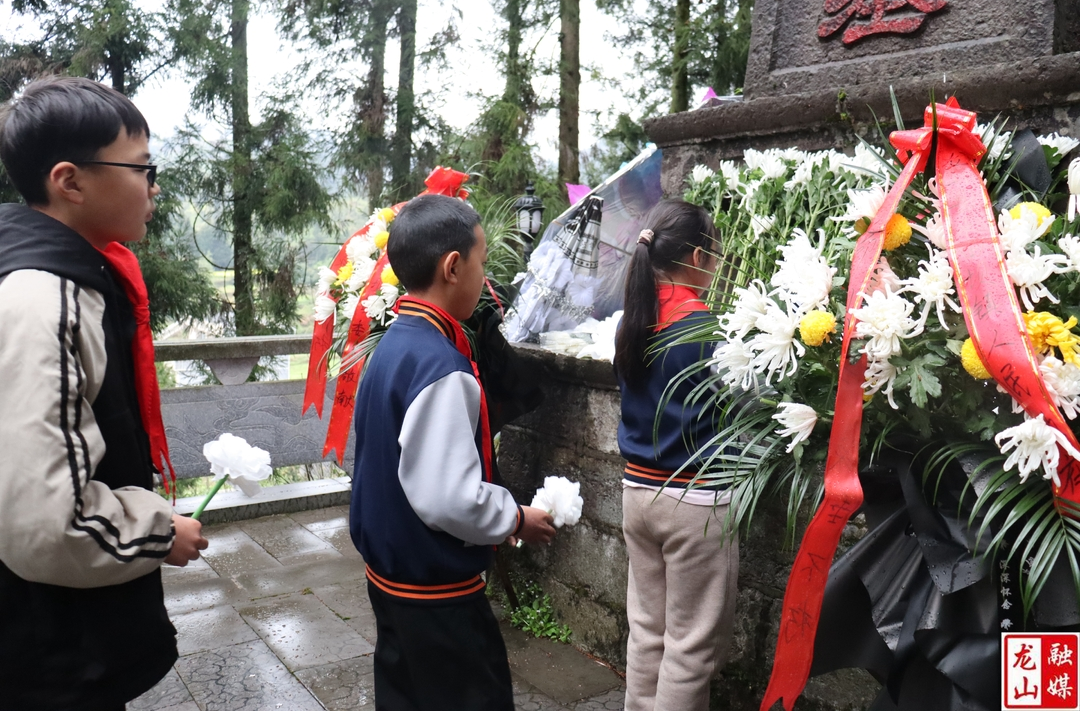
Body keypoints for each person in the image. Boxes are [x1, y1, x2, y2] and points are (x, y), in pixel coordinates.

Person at [0, 76, 208, 710]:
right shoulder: (44, 300)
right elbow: (46, 521)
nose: (152, 186)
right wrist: (157, 531)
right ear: (70, 181)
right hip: (52, 651)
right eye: (141, 168)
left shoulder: (69, 277)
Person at [349, 193, 557, 711]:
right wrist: (515, 518)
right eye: (482, 260)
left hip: (391, 581)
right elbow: (449, 499)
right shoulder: (440, 366)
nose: (485, 277)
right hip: (435, 593)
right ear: (453, 266)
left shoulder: (397, 343)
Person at [613, 199, 740, 711]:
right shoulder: (706, 330)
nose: (715, 262)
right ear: (693, 257)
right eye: (712, 252)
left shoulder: (632, 321)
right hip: (694, 502)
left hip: (637, 493)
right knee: (689, 649)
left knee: (647, 633)